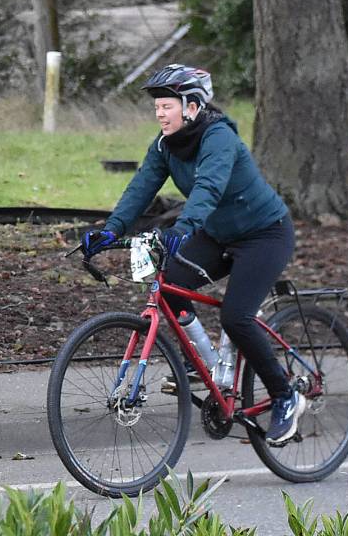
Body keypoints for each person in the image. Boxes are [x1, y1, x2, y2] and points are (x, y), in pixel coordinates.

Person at [79, 64, 303, 445]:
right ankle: (204, 364)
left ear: (193, 107)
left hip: (264, 235)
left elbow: (209, 189)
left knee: (236, 316)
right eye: (157, 108)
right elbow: (141, 188)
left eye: (167, 106)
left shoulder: (219, 139)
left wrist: (182, 230)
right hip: (217, 234)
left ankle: (285, 396)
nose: (160, 114)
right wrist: (111, 229)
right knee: (170, 286)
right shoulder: (166, 146)